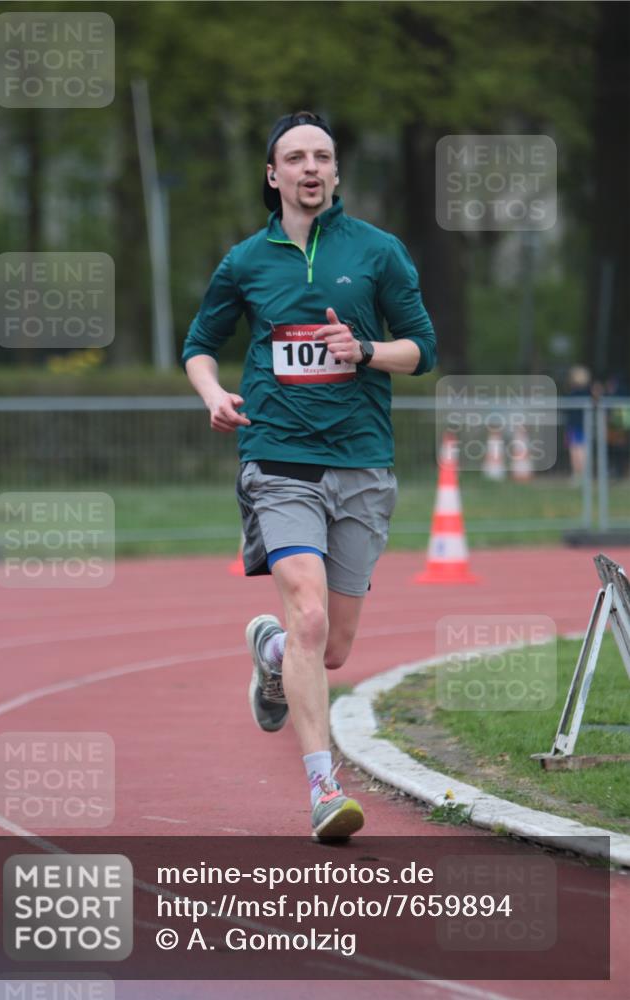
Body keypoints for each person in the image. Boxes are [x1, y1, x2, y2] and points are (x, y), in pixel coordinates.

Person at [182, 111, 436, 840]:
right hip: (278, 460)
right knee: (310, 611)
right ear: (273, 175)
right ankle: (324, 789)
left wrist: (362, 350)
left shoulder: (378, 252)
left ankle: (269, 652)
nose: (310, 168)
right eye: (294, 158)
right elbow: (201, 345)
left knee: (328, 648)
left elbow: (423, 347)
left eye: (321, 156)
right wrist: (213, 394)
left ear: (334, 171)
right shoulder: (245, 261)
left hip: (360, 461)